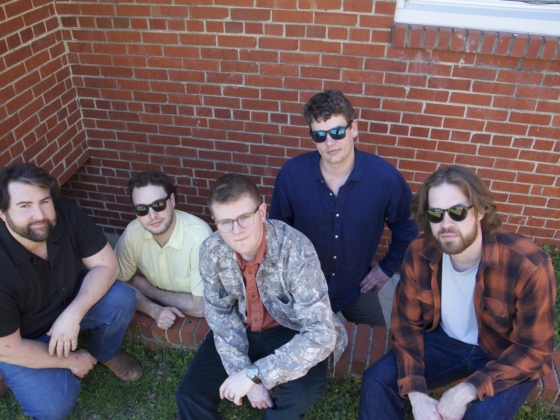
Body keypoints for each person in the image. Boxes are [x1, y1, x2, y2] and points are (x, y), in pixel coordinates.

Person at [359, 165, 555, 420]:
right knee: (377, 380)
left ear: (480, 210)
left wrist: (468, 389)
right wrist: (416, 393)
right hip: (446, 342)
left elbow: (534, 349)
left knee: (483, 416)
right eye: (435, 214)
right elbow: (406, 326)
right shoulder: (419, 252)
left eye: (457, 212)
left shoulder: (528, 265)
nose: (446, 224)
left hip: (504, 353)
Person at [176, 173, 347, 419]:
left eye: (245, 218)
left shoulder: (296, 249)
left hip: (291, 330)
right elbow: (221, 316)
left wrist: (254, 375)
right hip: (241, 328)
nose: (236, 231)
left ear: (262, 212)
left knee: (300, 394)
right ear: (215, 222)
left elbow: (321, 333)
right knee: (188, 395)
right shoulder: (211, 251)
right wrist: (245, 373)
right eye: (225, 222)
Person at [0, 163, 142, 420]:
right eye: (24, 206)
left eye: (44, 201)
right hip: (23, 339)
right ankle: (39, 369)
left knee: (121, 298)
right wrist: (71, 360)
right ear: (2, 212)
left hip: (66, 305)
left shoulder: (66, 213)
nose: (40, 214)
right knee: (53, 408)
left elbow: (107, 265)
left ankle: (105, 353)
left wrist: (73, 315)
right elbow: (8, 347)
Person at [270, 89, 418, 326]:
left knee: (377, 342)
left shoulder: (384, 178)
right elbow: (277, 231)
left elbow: (408, 227)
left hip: (355, 288)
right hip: (303, 289)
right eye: (319, 135)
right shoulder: (292, 175)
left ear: (354, 128)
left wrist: (387, 268)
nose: (330, 143)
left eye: (337, 132)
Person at [115, 171, 212, 329]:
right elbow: (116, 284)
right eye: (142, 209)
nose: (152, 215)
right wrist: (153, 309)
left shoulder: (198, 238)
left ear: (172, 200)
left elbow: (201, 307)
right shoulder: (133, 233)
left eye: (158, 205)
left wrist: (149, 290)